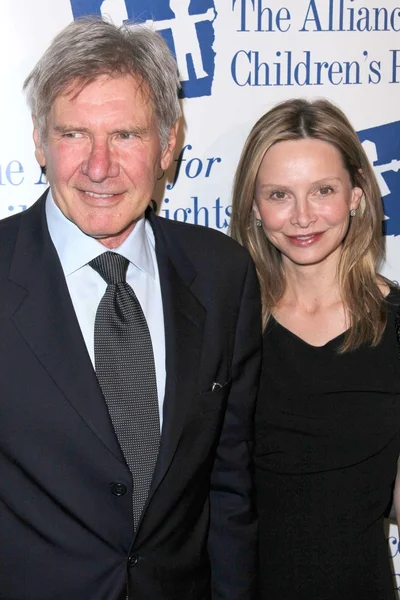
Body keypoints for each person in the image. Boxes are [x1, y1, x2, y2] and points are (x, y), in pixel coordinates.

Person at [0, 17, 261, 600]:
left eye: (125, 135)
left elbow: (229, 489)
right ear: (39, 142)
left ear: (168, 144)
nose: (98, 166)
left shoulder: (223, 275)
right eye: (73, 134)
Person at [230, 98, 400, 599]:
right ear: (254, 208)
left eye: (323, 190)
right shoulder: (223, 327)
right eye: (279, 194)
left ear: (356, 194)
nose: (303, 217)